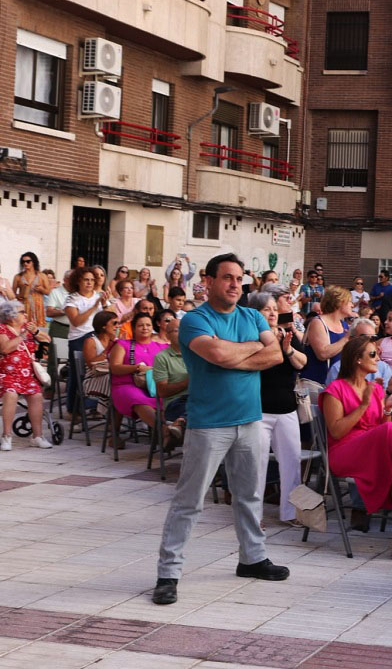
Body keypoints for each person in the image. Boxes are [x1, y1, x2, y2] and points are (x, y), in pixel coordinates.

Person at [153, 254, 289, 605]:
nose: (234, 284)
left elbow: (275, 356)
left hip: (249, 419)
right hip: (208, 423)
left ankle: (253, 558)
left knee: (248, 495)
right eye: (227, 277)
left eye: (239, 278)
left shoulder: (252, 314)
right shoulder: (195, 320)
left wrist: (237, 352)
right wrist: (254, 348)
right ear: (209, 281)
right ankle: (168, 573)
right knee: (189, 501)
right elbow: (218, 355)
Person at [322, 334, 392, 561]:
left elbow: (383, 430)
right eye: (373, 354)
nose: (379, 357)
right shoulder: (335, 389)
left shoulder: (374, 389)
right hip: (344, 451)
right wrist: (364, 405)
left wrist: (387, 410)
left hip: (371, 448)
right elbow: (336, 432)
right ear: (357, 359)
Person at [247, 290, 308, 527]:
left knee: (292, 460)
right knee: (257, 463)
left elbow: (303, 363)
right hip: (259, 409)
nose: (272, 313)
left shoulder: (288, 334)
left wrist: (288, 349)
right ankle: (253, 515)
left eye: (274, 308)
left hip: (287, 408)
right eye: (266, 309)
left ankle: (290, 513)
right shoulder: (250, 338)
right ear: (255, 313)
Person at [110, 312, 170, 446]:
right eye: (140, 325)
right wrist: (136, 368)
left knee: (166, 399)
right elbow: (115, 367)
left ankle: (169, 432)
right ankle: (165, 431)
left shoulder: (161, 347)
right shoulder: (122, 345)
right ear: (133, 328)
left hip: (152, 386)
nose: (145, 328)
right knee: (138, 399)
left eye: (148, 325)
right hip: (126, 384)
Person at [0, 299, 52, 450]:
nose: (26, 314)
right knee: (11, 393)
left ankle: (37, 436)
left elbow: (47, 341)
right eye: (22, 312)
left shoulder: (27, 328)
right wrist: (22, 336)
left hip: (27, 374)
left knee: (36, 395)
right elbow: (5, 349)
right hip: (6, 374)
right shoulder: (3, 329)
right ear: (11, 315)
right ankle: (7, 436)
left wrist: (35, 332)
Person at [299, 286, 352, 393]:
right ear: (339, 302)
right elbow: (322, 354)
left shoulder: (344, 325)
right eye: (349, 301)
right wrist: (346, 339)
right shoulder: (318, 323)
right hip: (317, 384)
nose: (352, 305)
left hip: (336, 385)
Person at [152, 312, 189, 452]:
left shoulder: (196, 353)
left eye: (184, 330)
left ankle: (178, 425)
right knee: (202, 410)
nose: (181, 333)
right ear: (167, 335)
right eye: (176, 330)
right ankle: (178, 423)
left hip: (198, 399)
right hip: (176, 403)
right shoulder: (162, 358)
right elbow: (161, 391)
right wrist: (187, 383)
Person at [13, 252, 50, 328]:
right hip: (24, 306)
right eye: (23, 262)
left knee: (38, 330)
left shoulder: (42, 276)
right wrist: (20, 295)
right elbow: (12, 294)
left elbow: (48, 292)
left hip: (38, 306)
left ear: (34, 262)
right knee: (23, 328)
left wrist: (41, 289)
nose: (25, 263)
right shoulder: (18, 277)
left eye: (28, 261)